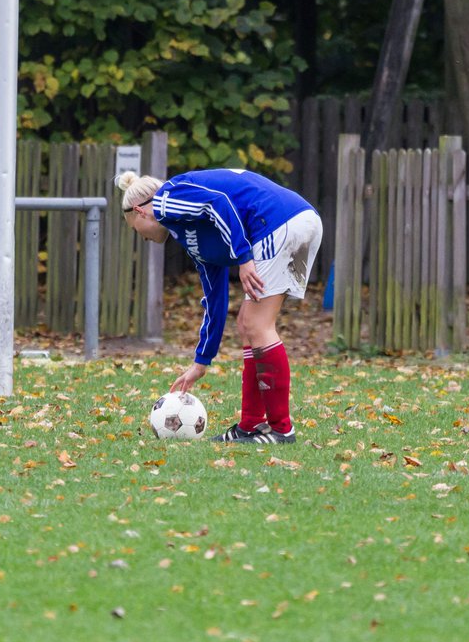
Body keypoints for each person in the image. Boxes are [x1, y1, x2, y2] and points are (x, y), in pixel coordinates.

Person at [115, 168, 322, 444]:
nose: (141, 238)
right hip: (292, 220)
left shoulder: (166, 200)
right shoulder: (192, 234)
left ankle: (281, 430)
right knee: (247, 323)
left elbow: (218, 203)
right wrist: (201, 362)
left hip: (280, 221)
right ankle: (250, 426)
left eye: (134, 230)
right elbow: (216, 299)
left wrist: (243, 257)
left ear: (140, 211)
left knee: (257, 324)